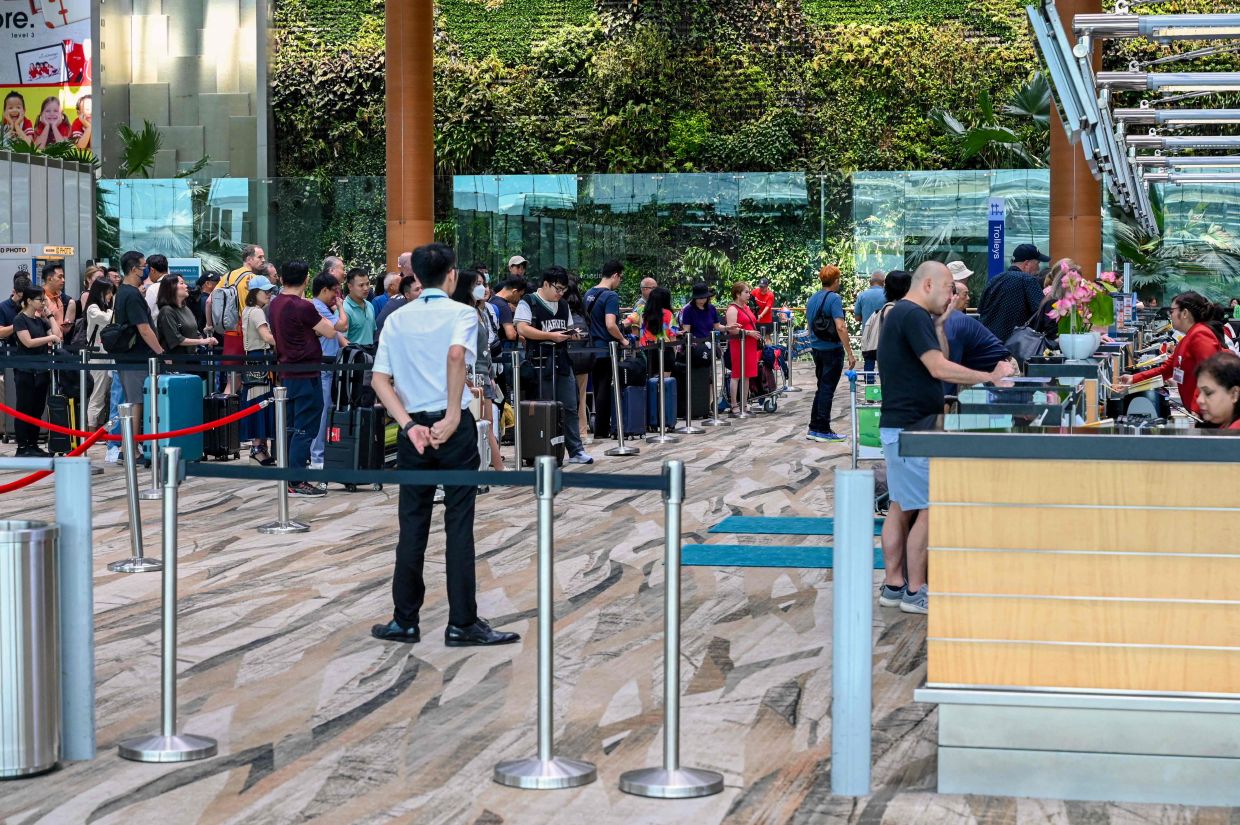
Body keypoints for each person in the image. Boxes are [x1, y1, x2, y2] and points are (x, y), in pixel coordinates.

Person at [369, 243, 520, 647]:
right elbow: (457, 357)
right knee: (459, 523)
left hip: (412, 428)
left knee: (412, 524)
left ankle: (405, 620)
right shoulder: (462, 313)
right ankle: (462, 622)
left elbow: (379, 380)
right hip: (455, 430)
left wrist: (408, 425)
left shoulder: (397, 318)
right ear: (452, 274)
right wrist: (454, 414)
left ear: (416, 275)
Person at [877, 262, 1015, 616]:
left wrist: (940, 323)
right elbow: (939, 368)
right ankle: (915, 589)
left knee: (901, 504)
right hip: (913, 426)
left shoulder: (912, 316)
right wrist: (991, 376)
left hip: (904, 424)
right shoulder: (910, 315)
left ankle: (894, 584)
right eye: (948, 288)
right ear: (927, 284)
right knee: (929, 506)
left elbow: (936, 356)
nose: (952, 296)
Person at [268, 261, 338, 497]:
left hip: (287, 371)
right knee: (305, 428)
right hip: (307, 373)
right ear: (306, 279)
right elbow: (330, 330)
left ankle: (288, 474)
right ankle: (297, 479)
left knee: (290, 426)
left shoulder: (275, 304)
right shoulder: (302, 306)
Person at [515, 266, 593, 465]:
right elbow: (522, 329)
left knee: (569, 406)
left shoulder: (564, 305)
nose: (560, 293)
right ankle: (541, 450)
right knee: (542, 407)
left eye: (563, 290)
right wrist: (550, 336)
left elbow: (566, 328)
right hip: (539, 362)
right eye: (557, 288)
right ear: (546, 284)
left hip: (562, 360)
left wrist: (571, 334)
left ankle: (575, 450)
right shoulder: (529, 301)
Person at [1118, 291, 1225, 415]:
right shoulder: (1188, 337)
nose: (1170, 315)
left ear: (1184, 313)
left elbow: (1210, 375)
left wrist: (1197, 408)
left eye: (1172, 311)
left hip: (1207, 412)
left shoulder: (1200, 334)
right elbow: (1166, 369)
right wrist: (1133, 379)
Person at [451, 269, 504, 470]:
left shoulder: (481, 312)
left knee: (486, 422)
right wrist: (465, 375)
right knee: (482, 422)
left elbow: (485, 349)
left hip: (484, 373)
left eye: (483, 283)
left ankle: (493, 465)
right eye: (477, 284)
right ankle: (497, 467)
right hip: (472, 376)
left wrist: (491, 375)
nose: (483, 288)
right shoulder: (463, 313)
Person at [805, 265, 856, 442]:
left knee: (822, 387)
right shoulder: (834, 299)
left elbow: (810, 326)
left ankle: (814, 427)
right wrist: (850, 352)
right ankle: (823, 429)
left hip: (817, 349)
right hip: (832, 350)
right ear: (835, 281)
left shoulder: (812, 299)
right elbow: (840, 326)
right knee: (827, 389)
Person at [12, 287, 62, 456]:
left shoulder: (40, 320)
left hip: (41, 370)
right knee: (24, 408)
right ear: (28, 301)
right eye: (40, 300)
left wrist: (49, 315)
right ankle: (23, 446)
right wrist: (49, 339)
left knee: (37, 409)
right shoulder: (20, 319)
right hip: (25, 371)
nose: (43, 302)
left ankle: (33, 444)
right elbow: (28, 342)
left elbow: (57, 335)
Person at [113, 250, 165, 413]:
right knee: (136, 402)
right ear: (134, 269)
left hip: (128, 355)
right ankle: (133, 439)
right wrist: (160, 352)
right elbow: (144, 328)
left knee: (134, 400)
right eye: (144, 266)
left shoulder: (122, 291)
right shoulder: (132, 294)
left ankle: (133, 438)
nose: (147, 270)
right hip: (136, 356)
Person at [939, 279, 1012, 393]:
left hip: (1001, 370)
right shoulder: (945, 321)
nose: (968, 298)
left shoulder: (954, 324)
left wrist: (946, 406)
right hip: (983, 372)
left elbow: (949, 374)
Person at [309, 273, 350, 469]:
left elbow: (338, 335)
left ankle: (320, 454)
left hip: (328, 366)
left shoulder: (323, 308)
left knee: (326, 412)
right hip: (323, 367)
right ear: (324, 290)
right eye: (334, 292)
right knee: (322, 413)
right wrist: (341, 307)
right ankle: (317, 457)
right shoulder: (318, 308)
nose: (337, 296)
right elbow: (341, 326)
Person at [585, 260, 628, 441]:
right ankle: (602, 429)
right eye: (621, 278)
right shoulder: (611, 296)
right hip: (606, 348)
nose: (620, 282)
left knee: (597, 388)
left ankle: (599, 427)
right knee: (604, 388)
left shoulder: (589, 294)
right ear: (615, 275)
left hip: (591, 349)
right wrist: (622, 339)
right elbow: (611, 325)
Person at [240, 275, 279, 465]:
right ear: (255, 293)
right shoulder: (256, 312)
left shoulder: (249, 310)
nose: (270, 294)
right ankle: (258, 448)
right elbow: (266, 336)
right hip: (259, 359)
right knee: (260, 402)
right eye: (266, 291)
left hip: (254, 359)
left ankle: (259, 447)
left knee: (258, 401)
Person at [217, 244, 266, 392]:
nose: (263, 260)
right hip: (247, 335)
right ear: (249, 260)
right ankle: (234, 412)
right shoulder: (252, 278)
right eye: (260, 257)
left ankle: (228, 409)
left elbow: (209, 301)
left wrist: (211, 325)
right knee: (245, 381)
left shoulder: (228, 275)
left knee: (233, 378)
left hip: (230, 332)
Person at [978, 243, 1050, 342]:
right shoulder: (1028, 280)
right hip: (1014, 346)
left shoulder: (994, 280)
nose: (1038, 268)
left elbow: (981, 310)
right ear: (1027, 264)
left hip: (987, 342)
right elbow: (1042, 312)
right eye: (1037, 263)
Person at [155, 275, 217, 356]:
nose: (186, 286)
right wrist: (202, 341)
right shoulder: (167, 311)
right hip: (177, 361)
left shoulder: (186, 308)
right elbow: (176, 339)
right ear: (171, 287)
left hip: (192, 357)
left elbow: (194, 331)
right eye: (182, 283)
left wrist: (205, 340)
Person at [82, 278, 115, 431]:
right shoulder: (93, 308)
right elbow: (109, 320)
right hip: (97, 356)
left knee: (104, 392)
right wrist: (112, 309)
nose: (110, 295)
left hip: (105, 355)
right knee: (98, 392)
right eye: (108, 292)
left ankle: (98, 427)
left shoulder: (103, 307)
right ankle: (91, 429)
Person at [725, 282, 762, 415]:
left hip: (750, 344)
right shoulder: (732, 309)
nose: (749, 294)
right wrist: (748, 332)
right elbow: (732, 330)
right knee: (737, 374)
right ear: (737, 294)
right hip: (739, 344)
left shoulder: (746, 307)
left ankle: (744, 404)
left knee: (747, 375)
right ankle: (734, 404)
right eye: (746, 292)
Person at [1195, 351, 1240, 430]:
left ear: (1234, 394)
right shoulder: (1226, 428)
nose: (1199, 400)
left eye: (1208, 393)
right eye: (1199, 392)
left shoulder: (1234, 436)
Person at [853, 270, 886, 373]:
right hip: (884, 336)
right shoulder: (888, 295)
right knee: (885, 364)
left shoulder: (862, 296)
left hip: (868, 336)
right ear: (883, 282)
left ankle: (869, 385)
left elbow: (857, 317)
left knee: (869, 364)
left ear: (870, 282)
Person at [41, 262, 76, 338]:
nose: (63, 280)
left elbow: (59, 328)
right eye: (60, 277)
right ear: (49, 279)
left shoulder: (59, 298)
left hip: (58, 344)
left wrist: (65, 327)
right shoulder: (39, 299)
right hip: (45, 345)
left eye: (63, 277)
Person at [0, 273, 34, 342]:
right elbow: (1, 332)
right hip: (11, 348)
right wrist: (18, 324)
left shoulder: (30, 305)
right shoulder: (3, 307)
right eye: (20, 297)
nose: (23, 300)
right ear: (14, 291)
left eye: (26, 297)